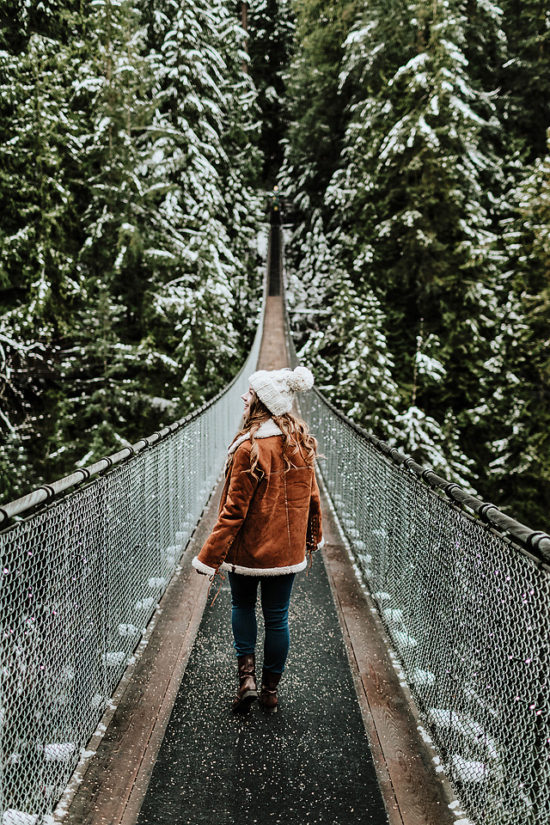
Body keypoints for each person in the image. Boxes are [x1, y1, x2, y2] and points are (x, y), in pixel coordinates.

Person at [192, 366, 323, 714]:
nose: (243, 396)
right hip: (287, 551)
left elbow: (233, 513)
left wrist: (209, 557)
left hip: (248, 552)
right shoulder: (302, 444)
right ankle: (270, 691)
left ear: (261, 404)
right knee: (277, 618)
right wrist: (314, 538)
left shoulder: (247, 449)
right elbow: (313, 499)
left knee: (242, 607)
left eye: (249, 393)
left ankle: (246, 681)